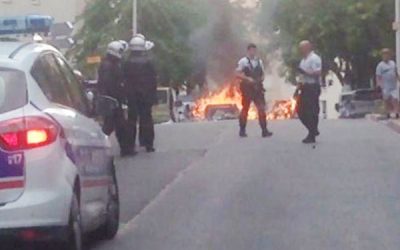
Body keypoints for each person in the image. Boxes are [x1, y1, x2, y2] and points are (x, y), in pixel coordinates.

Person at [98, 41, 133, 156]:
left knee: (116, 125)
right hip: (112, 99)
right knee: (115, 125)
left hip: (112, 99)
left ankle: (126, 149)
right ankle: (99, 145)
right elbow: (111, 83)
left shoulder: (109, 64)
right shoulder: (109, 65)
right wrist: (119, 95)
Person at [123, 35, 158, 153]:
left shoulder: (126, 63)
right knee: (147, 119)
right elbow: (153, 79)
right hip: (146, 96)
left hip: (132, 96)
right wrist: (153, 95)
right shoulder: (148, 62)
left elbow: (124, 80)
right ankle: (148, 144)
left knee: (131, 121)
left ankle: (130, 145)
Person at [236, 43, 273, 138]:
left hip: (258, 88)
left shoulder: (259, 61)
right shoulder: (243, 61)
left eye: (254, 50)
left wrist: (261, 79)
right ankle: (242, 130)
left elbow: (263, 74)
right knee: (245, 109)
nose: (253, 52)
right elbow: (237, 74)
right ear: (248, 51)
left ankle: (264, 130)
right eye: (251, 50)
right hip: (247, 89)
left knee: (261, 108)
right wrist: (247, 79)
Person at [296, 40, 322, 144]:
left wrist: (305, 72)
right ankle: (313, 129)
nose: (300, 50)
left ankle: (312, 134)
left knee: (311, 111)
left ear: (307, 47)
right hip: (304, 87)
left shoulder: (314, 58)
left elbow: (318, 72)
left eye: (302, 47)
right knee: (300, 110)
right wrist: (298, 88)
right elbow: (301, 76)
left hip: (312, 87)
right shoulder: (303, 60)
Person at [376, 48, 400, 119]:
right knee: (387, 100)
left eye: (387, 54)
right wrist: (379, 84)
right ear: (382, 56)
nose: (386, 56)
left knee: (395, 99)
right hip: (385, 86)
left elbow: (396, 73)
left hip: (393, 86)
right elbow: (378, 76)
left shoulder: (393, 63)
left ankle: (396, 112)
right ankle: (388, 112)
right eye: (384, 54)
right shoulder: (380, 65)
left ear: (389, 55)